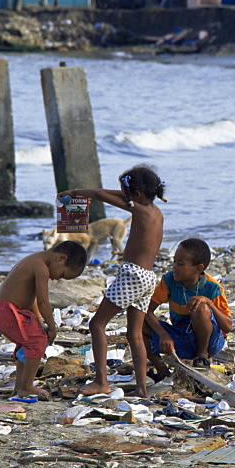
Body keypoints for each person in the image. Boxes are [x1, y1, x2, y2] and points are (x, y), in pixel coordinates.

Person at [58, 164, 165, 398]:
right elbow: (117, 196)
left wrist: (75, 193)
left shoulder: (139, 210)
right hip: (148, 277)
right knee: (134, 334)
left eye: (126, 193)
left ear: (135, 195)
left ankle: (101, 382)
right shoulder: (156, 212)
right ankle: (141, 388)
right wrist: (124, 192)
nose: (123, 197)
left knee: (97, 324)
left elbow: (99, 195)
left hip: (132, 276)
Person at [0, 241, 87, 399]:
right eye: (62, 275)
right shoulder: (40, 267)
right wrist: (52, 327)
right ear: (61, 259)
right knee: (37, 341)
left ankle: (19, 387)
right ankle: (27, 387)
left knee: (27, 345)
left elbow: (32, 299)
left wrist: (40, 323)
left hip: (4, 311)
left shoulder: (34, 260)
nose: (57, 279)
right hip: (7, 311)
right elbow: (43, 301)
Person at [144, 238, 232, 378]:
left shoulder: (212, 287)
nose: (174, 267)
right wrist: (163, 334)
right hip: (180, 335)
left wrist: (209, 303)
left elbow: (228, 327)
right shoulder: (169, 281)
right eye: (174, 261)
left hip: (209, 342)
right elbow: (146, 310)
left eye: (180, 264)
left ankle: (201, 357)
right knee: (137, 322)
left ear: (199, 268)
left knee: (200, 307)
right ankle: (163, 372)